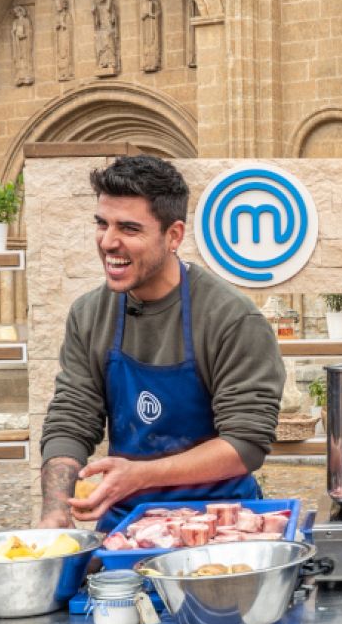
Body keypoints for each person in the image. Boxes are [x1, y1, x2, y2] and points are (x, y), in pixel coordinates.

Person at [37, 155, 283, 532]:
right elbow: (71, 421)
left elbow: (245, 443)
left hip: (223, 525)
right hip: (127, 528)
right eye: (102, 224)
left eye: (129, 229)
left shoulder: (230, 318)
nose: (108, 241)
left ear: (174, 235)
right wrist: (55, 512)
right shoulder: (89, 314)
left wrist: (140, 476)